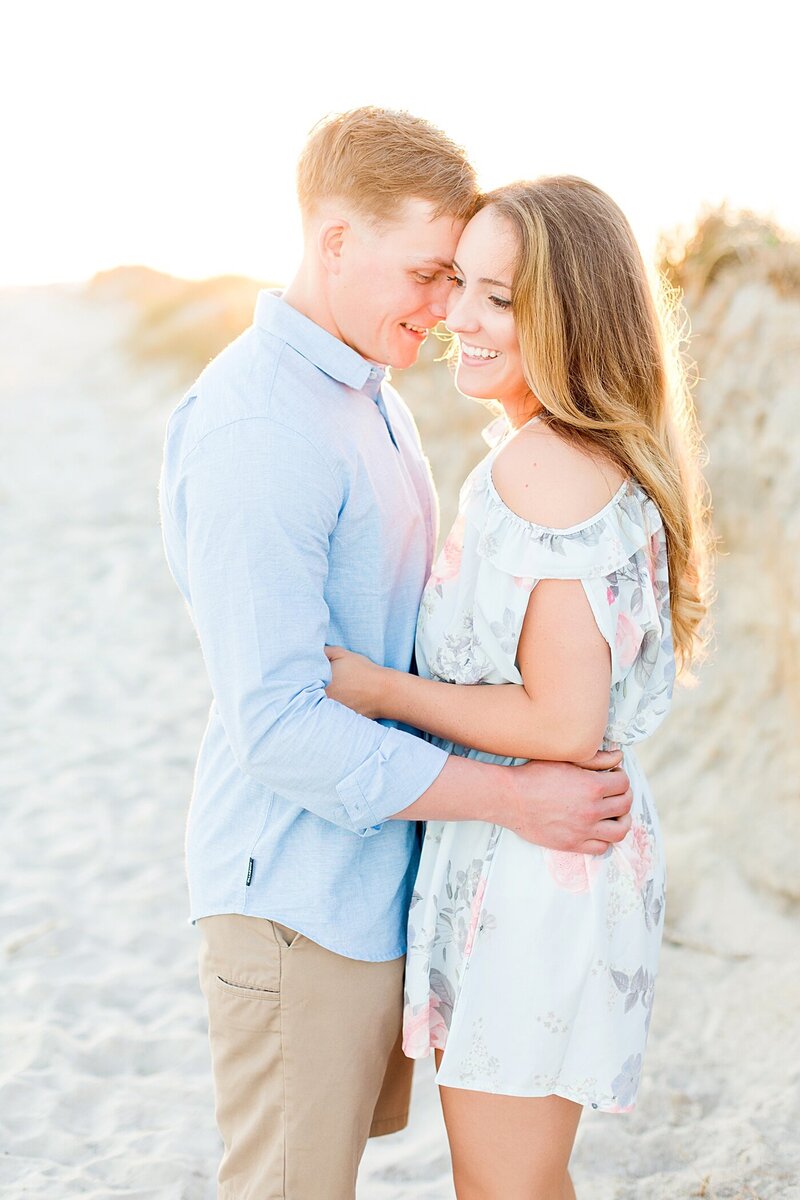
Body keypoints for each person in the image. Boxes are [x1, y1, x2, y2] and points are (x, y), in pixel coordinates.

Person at [159, 111, 634, 1200]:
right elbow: (277, 724)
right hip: (295, 899)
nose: (444, 308)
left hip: (372, 887)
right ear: (333, 243)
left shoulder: (364, 396)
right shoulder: (259, 431)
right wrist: (509, 800)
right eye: (427, 273)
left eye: (464, 281)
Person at [326, 177, 713, 1199]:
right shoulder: (577, 454)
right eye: (460, 285)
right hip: (544, 858)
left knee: (504, 1186)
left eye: (499, 298)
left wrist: (376, 689)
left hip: (535, 870)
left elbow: (559, 718)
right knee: (523, 1179)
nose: (459, 319)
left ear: (571, 314)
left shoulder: (537, 471)